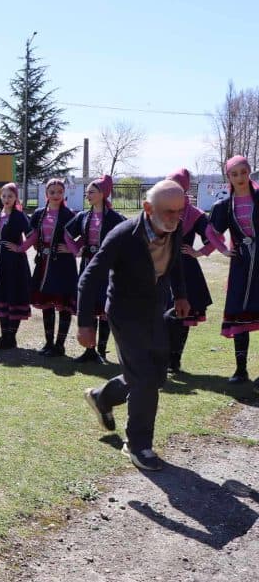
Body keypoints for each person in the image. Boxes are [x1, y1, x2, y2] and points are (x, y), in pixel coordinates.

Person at [79, 180, 189, 471]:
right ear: (148, 208)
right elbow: (89, 278)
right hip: (124, 312)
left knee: (152, 372)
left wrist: (180, 294)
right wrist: (84, 324)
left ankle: (101, 397)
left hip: (154, 308)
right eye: (168, 212)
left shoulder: (174, 227)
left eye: (180, 212)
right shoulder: (123, 235)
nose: (175, 218)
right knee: (143, 377)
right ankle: (138, 445)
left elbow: (175, 261)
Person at [205, 155, 259, 384]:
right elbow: (210, 233)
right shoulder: (224, 206)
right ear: (229, 177)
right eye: (234, 174)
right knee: (239, 315)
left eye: (243, 172)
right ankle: (240, 371)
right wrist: (224, 250)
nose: (240, 178)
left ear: (249, 173)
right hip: (240, 265)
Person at [64, 175, 126, 364]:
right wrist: (76, 250)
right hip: (88, 265)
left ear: (103, 194)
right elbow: (67, 234)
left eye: (91, 191)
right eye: (87, 192)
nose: (87, 195)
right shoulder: (83, 216)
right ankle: (89, 351)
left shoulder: (116, 218)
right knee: (88, 305)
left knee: (105, 308)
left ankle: (101, 350)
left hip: (107, 268)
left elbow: (125, 240)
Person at [163, 168, 214, 374]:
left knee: (180, 317)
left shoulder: (195, 215)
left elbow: (213, 238)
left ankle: (174, 360)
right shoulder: (160, 208)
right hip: (160, 267)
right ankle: (160, 358)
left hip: (184, 270)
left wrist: (198, 252)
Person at [20, 178, 77, 357]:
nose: (56, 195)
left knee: (64, 304)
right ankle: (48, 343)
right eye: (52, 192)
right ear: (46, 194)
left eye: (59, 192)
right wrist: (27, 246)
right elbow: (31, 234)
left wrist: (71, 249)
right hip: (43, 263)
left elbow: (82, 236)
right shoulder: (38, 214)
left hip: (63, 265)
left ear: (63, 193)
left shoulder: (70, 215)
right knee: (47, 304)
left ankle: (60, 345)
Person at [0, 183, 32, 349]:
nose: (7, 199)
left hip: (14, 262)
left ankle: (11, 336)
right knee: (2, 297)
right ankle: (4, 336)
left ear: (15, 198)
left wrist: (20, 248)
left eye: (10, 196)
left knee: (13, 296)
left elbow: (32, 235)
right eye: (4, 196)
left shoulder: (19, 216)